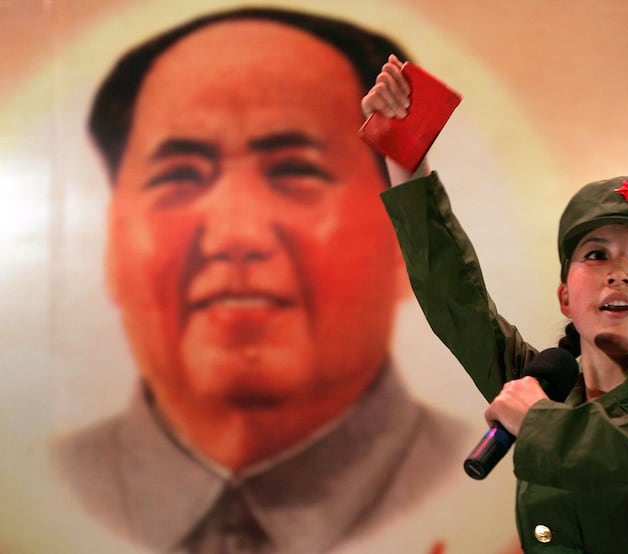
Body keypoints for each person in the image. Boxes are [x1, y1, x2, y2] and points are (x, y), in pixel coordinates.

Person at [52, 10, 473, 554]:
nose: (236, 234)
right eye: (179, 175)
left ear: (398, 235)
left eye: (295, 170)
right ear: (112, 240)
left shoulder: (482, 477)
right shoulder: (47, 485)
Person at [362, 55, 628, 552]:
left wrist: (538, 422)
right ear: (565, 296)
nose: (620, 272)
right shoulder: (546, 392)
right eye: (596, 255)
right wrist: (405, 158)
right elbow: (457, 303)